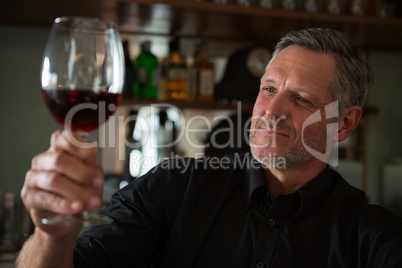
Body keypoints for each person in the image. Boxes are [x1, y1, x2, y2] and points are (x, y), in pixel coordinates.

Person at [17, 28, 402, 268]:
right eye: (268, 89)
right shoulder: (172, 187)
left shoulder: (373, 237)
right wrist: (52, 235)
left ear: (346, 123)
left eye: (300, 99)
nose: (271, 111)